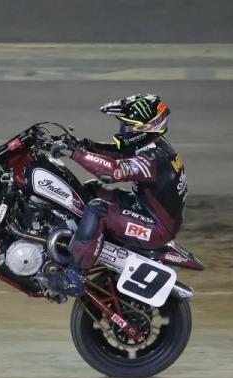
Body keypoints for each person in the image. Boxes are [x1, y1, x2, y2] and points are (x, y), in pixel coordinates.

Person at [48, 94, 188, 296]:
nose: (123, 130)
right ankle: (79, 238)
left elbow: (113, 171)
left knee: (98, 209)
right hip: (149, 210)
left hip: (155, 228)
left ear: (143, 129)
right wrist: (83, 145)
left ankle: (74, 277)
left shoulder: (154, 159)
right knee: (91, 190)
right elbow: (118, 154)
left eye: (128, 126)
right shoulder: (154, 145)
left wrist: (75, 153)